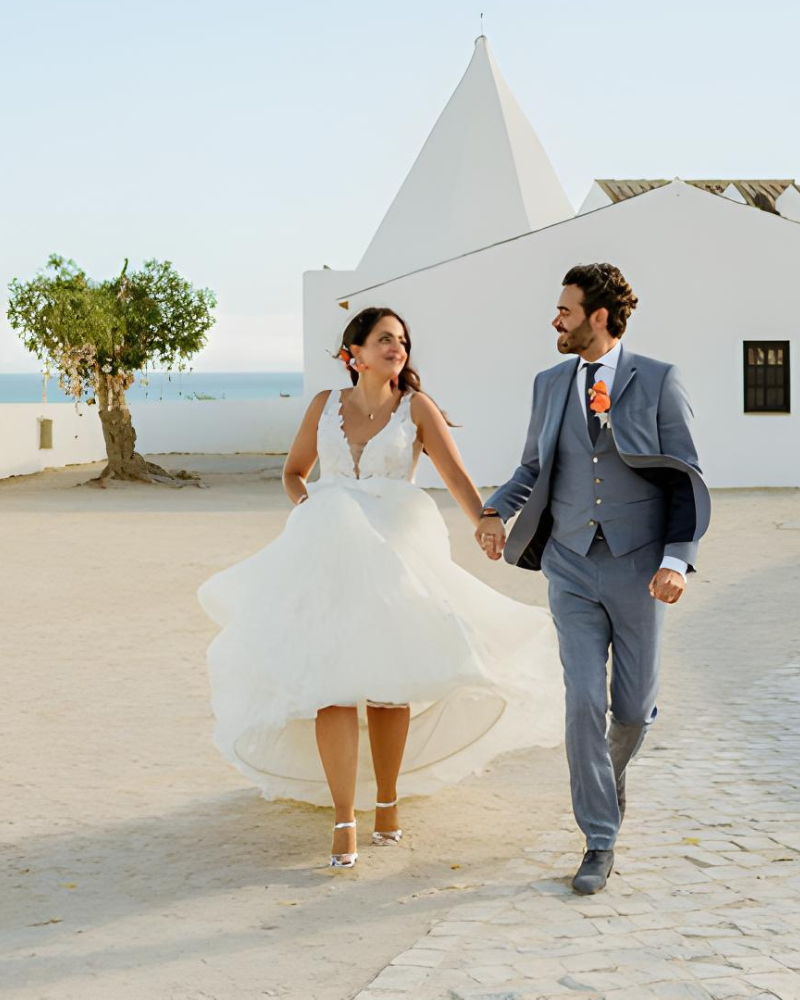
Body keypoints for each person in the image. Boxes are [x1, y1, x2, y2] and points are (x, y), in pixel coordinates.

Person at [198, 306, 563, 869]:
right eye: (385, 339)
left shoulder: (417, 408)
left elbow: (456, 476)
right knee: (330, 684)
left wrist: (486, 523)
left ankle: (387, 803)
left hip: (396, 553)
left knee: (391, 682)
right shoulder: (323, 406)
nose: (397, 347)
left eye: (403, 340)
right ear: (355, 353)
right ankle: (346, 817)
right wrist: (314, 508)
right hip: (329, 556)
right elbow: (295, 472)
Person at [477, 264, 711, 895]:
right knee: (583, 700)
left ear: (598, 316)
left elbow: (686, 476)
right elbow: (533, 463)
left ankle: (605, 781)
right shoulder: (549, 383)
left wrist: (676, 559)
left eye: (565, 310)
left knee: (631, 710)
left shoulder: (659, 379)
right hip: (571, 564)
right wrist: (493, 508)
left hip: (640, 568)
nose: (555, 320)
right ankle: (598, 840)